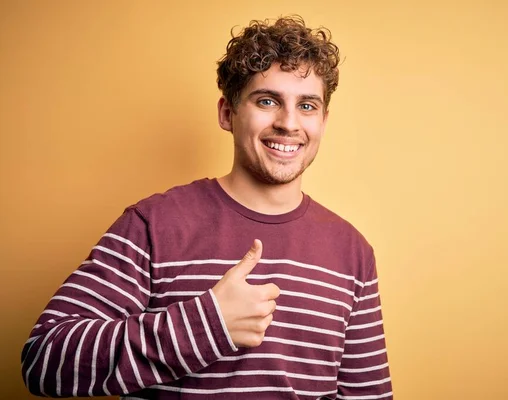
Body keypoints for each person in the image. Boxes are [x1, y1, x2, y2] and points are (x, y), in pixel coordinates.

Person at [21, 15, 393, 399]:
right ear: (227, 113)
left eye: (308, 106)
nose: (288, 123)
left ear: (323, 122)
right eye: (267, 101)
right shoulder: (154, 224)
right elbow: (44, 360)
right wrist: (207, 324)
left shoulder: (352, 252)